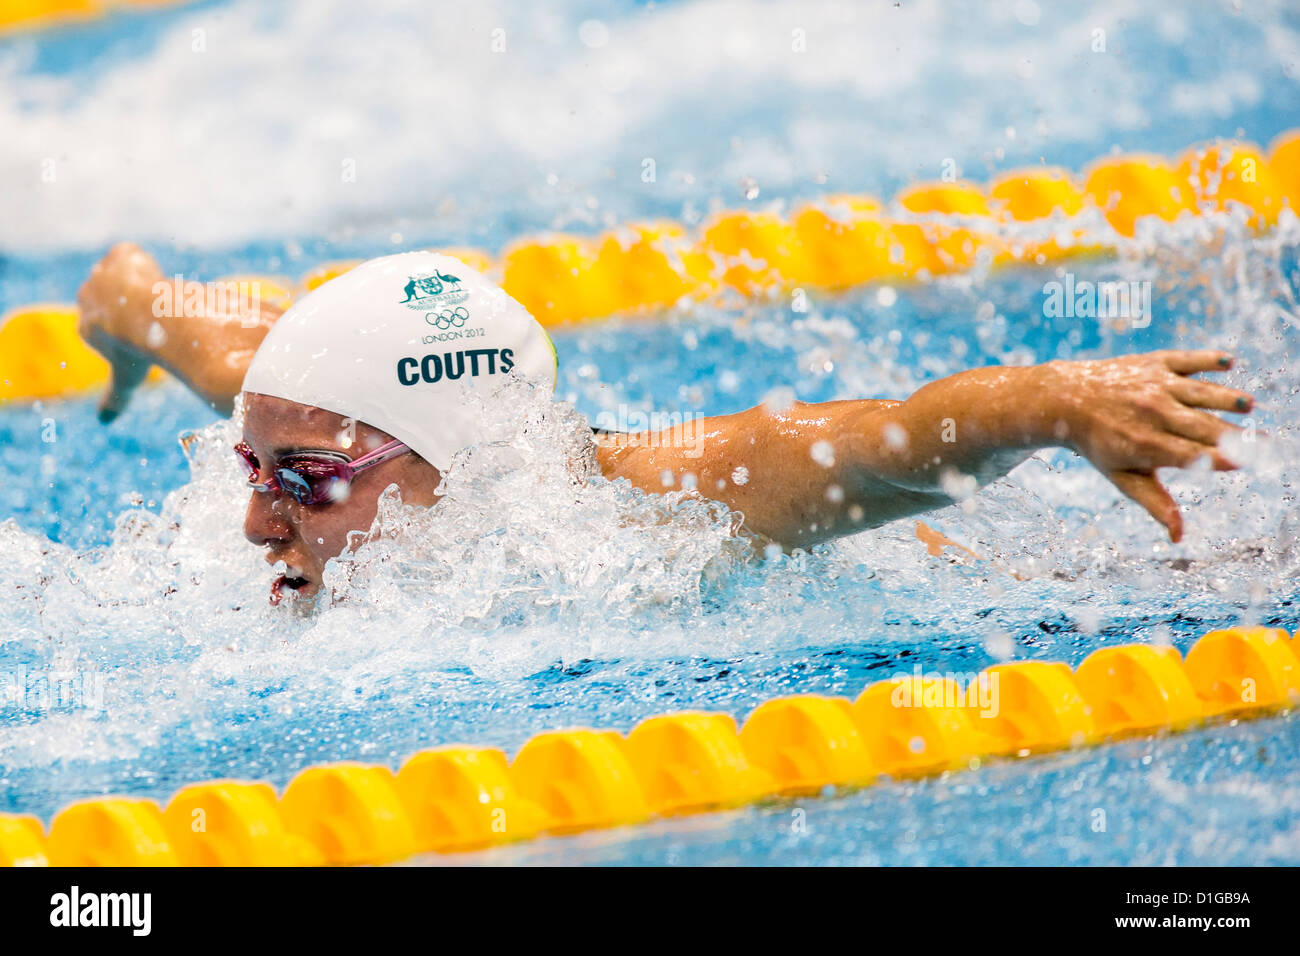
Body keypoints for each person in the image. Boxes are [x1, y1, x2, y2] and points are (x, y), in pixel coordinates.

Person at [76, 243, 1254, 605]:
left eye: (303, 478)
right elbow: (199, 329)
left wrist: (1060, 404)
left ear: (469, 466)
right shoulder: (310, 407)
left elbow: (891, 437)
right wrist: (131, 307)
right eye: (252, 463)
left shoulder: (636, 505)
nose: (247, 520)